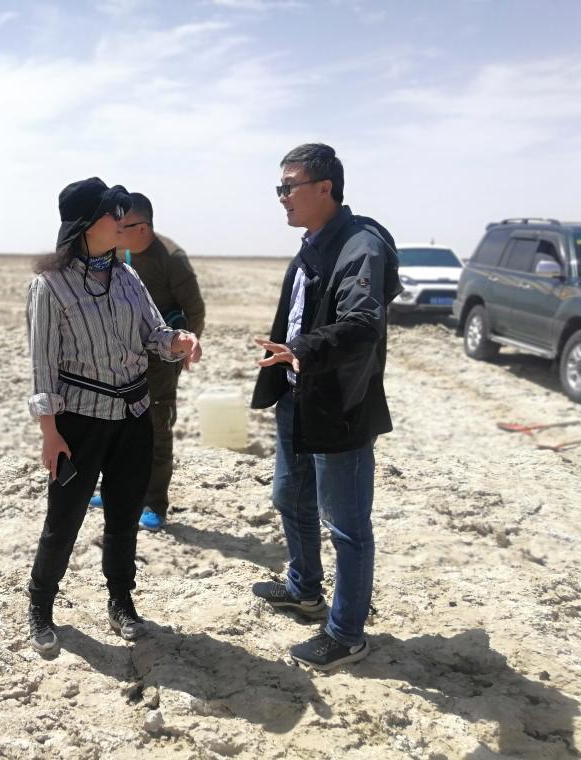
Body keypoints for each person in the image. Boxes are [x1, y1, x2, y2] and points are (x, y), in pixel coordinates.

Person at [26, 177, 202, 656]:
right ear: (86, 224)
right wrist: (49, 432)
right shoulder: (49, 286)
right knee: (63, 521)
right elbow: (42, 366)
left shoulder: (127, 277)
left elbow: (154, 333)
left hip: (134, 417)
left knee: (124, 517)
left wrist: (178, 341)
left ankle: (121, 599)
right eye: (113, 213)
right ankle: (40, 604)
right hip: (79, 424)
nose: (122, 220)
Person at [249, 143, 401, 671]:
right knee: (289, 495)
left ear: (324, 189)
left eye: (288, 187)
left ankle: (346, 634)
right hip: (298, 394)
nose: (281, 197)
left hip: (339, 403)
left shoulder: (360, 246)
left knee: (347, 526)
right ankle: (304, 589)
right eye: (279, 187)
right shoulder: (314, 243)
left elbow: (362, 325)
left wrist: (304, 351)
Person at [113, 192, 205, 531]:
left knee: (156, 429)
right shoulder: (116, 252)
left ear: (142, 227)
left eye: (122, 226)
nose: (116, 231)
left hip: (161, 358)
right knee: (120, 427)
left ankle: (154, 503)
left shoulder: (171, 258)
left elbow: (194, 310)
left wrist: (183, 351)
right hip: (123, 358)